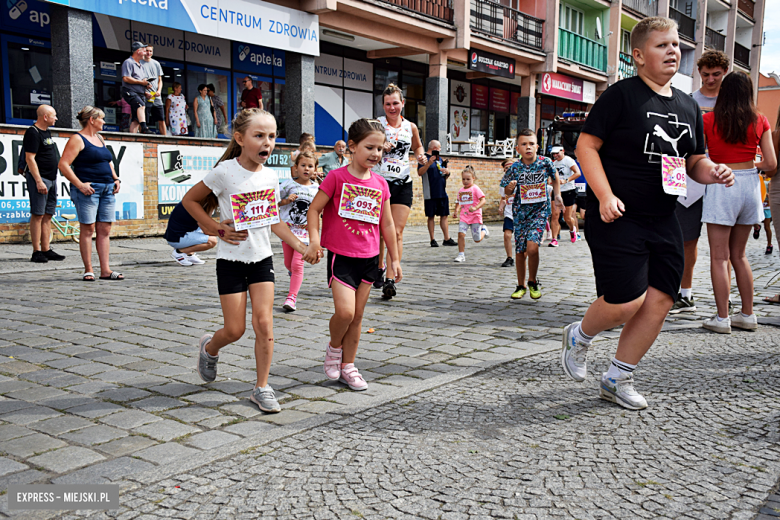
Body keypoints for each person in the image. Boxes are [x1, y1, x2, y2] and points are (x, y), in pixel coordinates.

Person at [560, 17, 734, 411]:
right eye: (662, 45)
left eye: (675, 45)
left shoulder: (689, 106)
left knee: (660, 299)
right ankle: (580, 335)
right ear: (638, 56)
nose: (673, 51)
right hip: (617, 215)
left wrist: (714, 172)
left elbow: (694, 161)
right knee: (625, 302)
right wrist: (603, 196)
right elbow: (586, 147)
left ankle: (618, 377)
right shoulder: (621, 96)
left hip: (663, 217)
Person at [181, 108, 316, 413]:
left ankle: (262, 387)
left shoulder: (270, 176)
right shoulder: (225, 172)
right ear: (240, 139)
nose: (266, 142)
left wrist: (300, 245)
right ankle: (210, 348)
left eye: (271, 136)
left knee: (265, 323)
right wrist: (215, 227)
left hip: (261, 259)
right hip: (230, 260)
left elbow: (273, 221)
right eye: (259, 136)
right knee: (234, 330)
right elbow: (190, 201)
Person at [303, 118, 401, 391]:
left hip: (369, 259)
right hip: (341, 256)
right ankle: (334, 348)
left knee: (357, 316)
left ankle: (349, 366)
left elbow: (388, 223)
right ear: (353, 147)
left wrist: (394, 259)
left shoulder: (381, 184)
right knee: (345, 313)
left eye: (381, 149)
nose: (376, 154)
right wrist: (314, 241)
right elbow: (314, 210)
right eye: (370, 147)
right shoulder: (336, 177)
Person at [700, 72, 776, 334]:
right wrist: (749, 166)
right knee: (740, 256)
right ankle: (748, 314)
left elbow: (699, 155)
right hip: (751, 185)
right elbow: (771, 164)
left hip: (722, 182)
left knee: (719, 257)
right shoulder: (760, 120)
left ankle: (722, 318)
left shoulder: (709, 119)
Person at [670, 50, 730, 314]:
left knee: (724, 247)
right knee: (686, 240)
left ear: (725, 73)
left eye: (716, 74)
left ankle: (723, 298)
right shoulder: (687, 100)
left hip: (723, 178)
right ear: (698, 73)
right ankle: (685, 294)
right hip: (688, 178)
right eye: (705, 74)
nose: (710, 79)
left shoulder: (732, 104)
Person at [58, 107, 124, 281]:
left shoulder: (99, 138)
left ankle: (105, 270)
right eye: (101, 119)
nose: (104, 122)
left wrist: (116, 178)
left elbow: (108, 161)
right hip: (89, 190)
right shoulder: (77, 139)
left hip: (107, 189)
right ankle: (88, 269)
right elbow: (63, 164)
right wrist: (80, 185)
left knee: (105, 229)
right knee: (87, 229)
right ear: (92, 120)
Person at [373, 84, 426, 300]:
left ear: (402, 103)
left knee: (396, 231)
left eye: (395, 103)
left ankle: (390, 278)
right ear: (383, 105)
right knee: (379, 230)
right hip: (379, 182)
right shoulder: (377, 123)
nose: (392, 107)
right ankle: (378, 265)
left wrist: (421, 156)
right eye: (388, 104)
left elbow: (418, 147)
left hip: (403, 182)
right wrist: (380, 144)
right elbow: (366, 144)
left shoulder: (411, 126)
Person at [501, 129, 562, 300]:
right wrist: (510, 189)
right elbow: (505, 189)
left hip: (539, 212)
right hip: (520, 213)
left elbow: (555, 176)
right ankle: (520, 285)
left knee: (532, 247)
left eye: (531, 144)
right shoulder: (514, 168)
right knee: (520, 251)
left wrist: (557, 195)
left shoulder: (545, 162)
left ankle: (532, 281)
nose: (528, 147)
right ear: (518, 149)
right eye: (524, 144)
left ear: (537, 146)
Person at [279, 151, 319, 312]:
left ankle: (291, 297)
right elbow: (273, 203)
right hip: (287, 231)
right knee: (288, 263)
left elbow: (320, 210)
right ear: (296, 168)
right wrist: (286, 201)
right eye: (303, 165)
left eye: (310, 166)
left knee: (297, 264)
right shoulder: (287, 184)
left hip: (305, 233)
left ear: (315, 169)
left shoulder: (317, 189)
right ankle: (294, 276)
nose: (306, 169)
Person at [24, 105, 64, 263]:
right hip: (41, 179)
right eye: (54, 115)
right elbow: (30, 158)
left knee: (48, 215)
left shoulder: (46, 132)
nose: (56, 118)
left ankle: (46, 249)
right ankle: (36, 251)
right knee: (38, 214)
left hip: (52, 178)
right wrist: (39, 181)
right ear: (45, 117)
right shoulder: (33, 132)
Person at [418, 140, 455, 247]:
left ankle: (446, 238)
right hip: (430, 192)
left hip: (442, 192)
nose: (440, 150)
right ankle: (432, 239)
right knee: (431, 216)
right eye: (439, 148)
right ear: (434, 148)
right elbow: (420, 173)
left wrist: (447, 173)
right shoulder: (424, 158)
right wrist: (429, 163)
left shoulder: (439, 159)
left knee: (444, 215)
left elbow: (443, 174)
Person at [165, 195, 218, 266]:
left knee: (201, 230)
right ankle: (179, 252)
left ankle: (190, 255)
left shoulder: (198, 203)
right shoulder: (197, 207)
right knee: (212, 241)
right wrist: (223, 232)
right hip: (177, 239)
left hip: (179, 235)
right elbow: (207, 230)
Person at [453, 166, 488, 262]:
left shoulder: (475, 188)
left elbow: (483, 200)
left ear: (473, 178)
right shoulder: (461, 190)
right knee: (461, 234)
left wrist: (476, 207)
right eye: (463, 179)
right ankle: (461, 255)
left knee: (477, 239)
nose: (465, 181)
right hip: (464, 217)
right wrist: (456, 210)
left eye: (468, 179)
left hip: (475, 217)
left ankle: (484, 230)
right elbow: (459, 202)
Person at [551, 146, 582, 243]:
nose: (555, 155)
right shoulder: (553, 163)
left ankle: (573, 230)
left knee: (567, 217)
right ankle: (554, 239)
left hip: (569, 190)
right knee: (555, 215)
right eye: (554, 154)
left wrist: (566, 180)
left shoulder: (568, 160)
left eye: (557, 153)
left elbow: (578, 173)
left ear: (562, 151)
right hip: (557, 191)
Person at [121, 42, 153, 134]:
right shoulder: (128, 62)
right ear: (138, 51)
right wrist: (141, 82)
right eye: (144, 50)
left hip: (139, 93)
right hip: (130, 91)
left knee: (136, 119)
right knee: (141, 105)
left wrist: (146, 87)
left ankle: (133, 138)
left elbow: (141, 81)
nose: (146, 53)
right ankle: (144, 128)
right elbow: (126, 78)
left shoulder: (141, 66)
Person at [142, 45, 166, 135]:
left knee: (161, 118)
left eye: (150, 51)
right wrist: (144, 92)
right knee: (144, 119)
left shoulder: (156, 63)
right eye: (147, 51)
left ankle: (166, 139)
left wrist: (159, 91)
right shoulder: (139, 63)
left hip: (156, 96)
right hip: (145, 95)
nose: (149, 53)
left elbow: (160, 80)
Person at [498, 158, 515, 267]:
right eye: (506, 168)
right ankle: (509, 258)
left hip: (522, 214)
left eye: (510, 167)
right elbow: (503, 198)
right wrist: (501, 207)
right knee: (507, 235)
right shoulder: (503, 183)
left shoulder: (523, 179)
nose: (508, 170)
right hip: (509, 213)